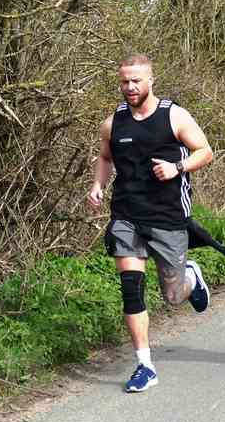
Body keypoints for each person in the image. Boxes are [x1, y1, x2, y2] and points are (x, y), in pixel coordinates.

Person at [88, 54, 214, 392]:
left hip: (167, 215)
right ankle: (145, 365)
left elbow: (205, 151)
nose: (129, 87)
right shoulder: (113, 122)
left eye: (136, 81)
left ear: (150, 80)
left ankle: (190, 275)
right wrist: (98, 184)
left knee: (173, 296)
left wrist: (178, 167)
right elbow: (104, 157)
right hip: (127, 214)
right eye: (124, 81)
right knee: (131, 288)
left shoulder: (174, 116)